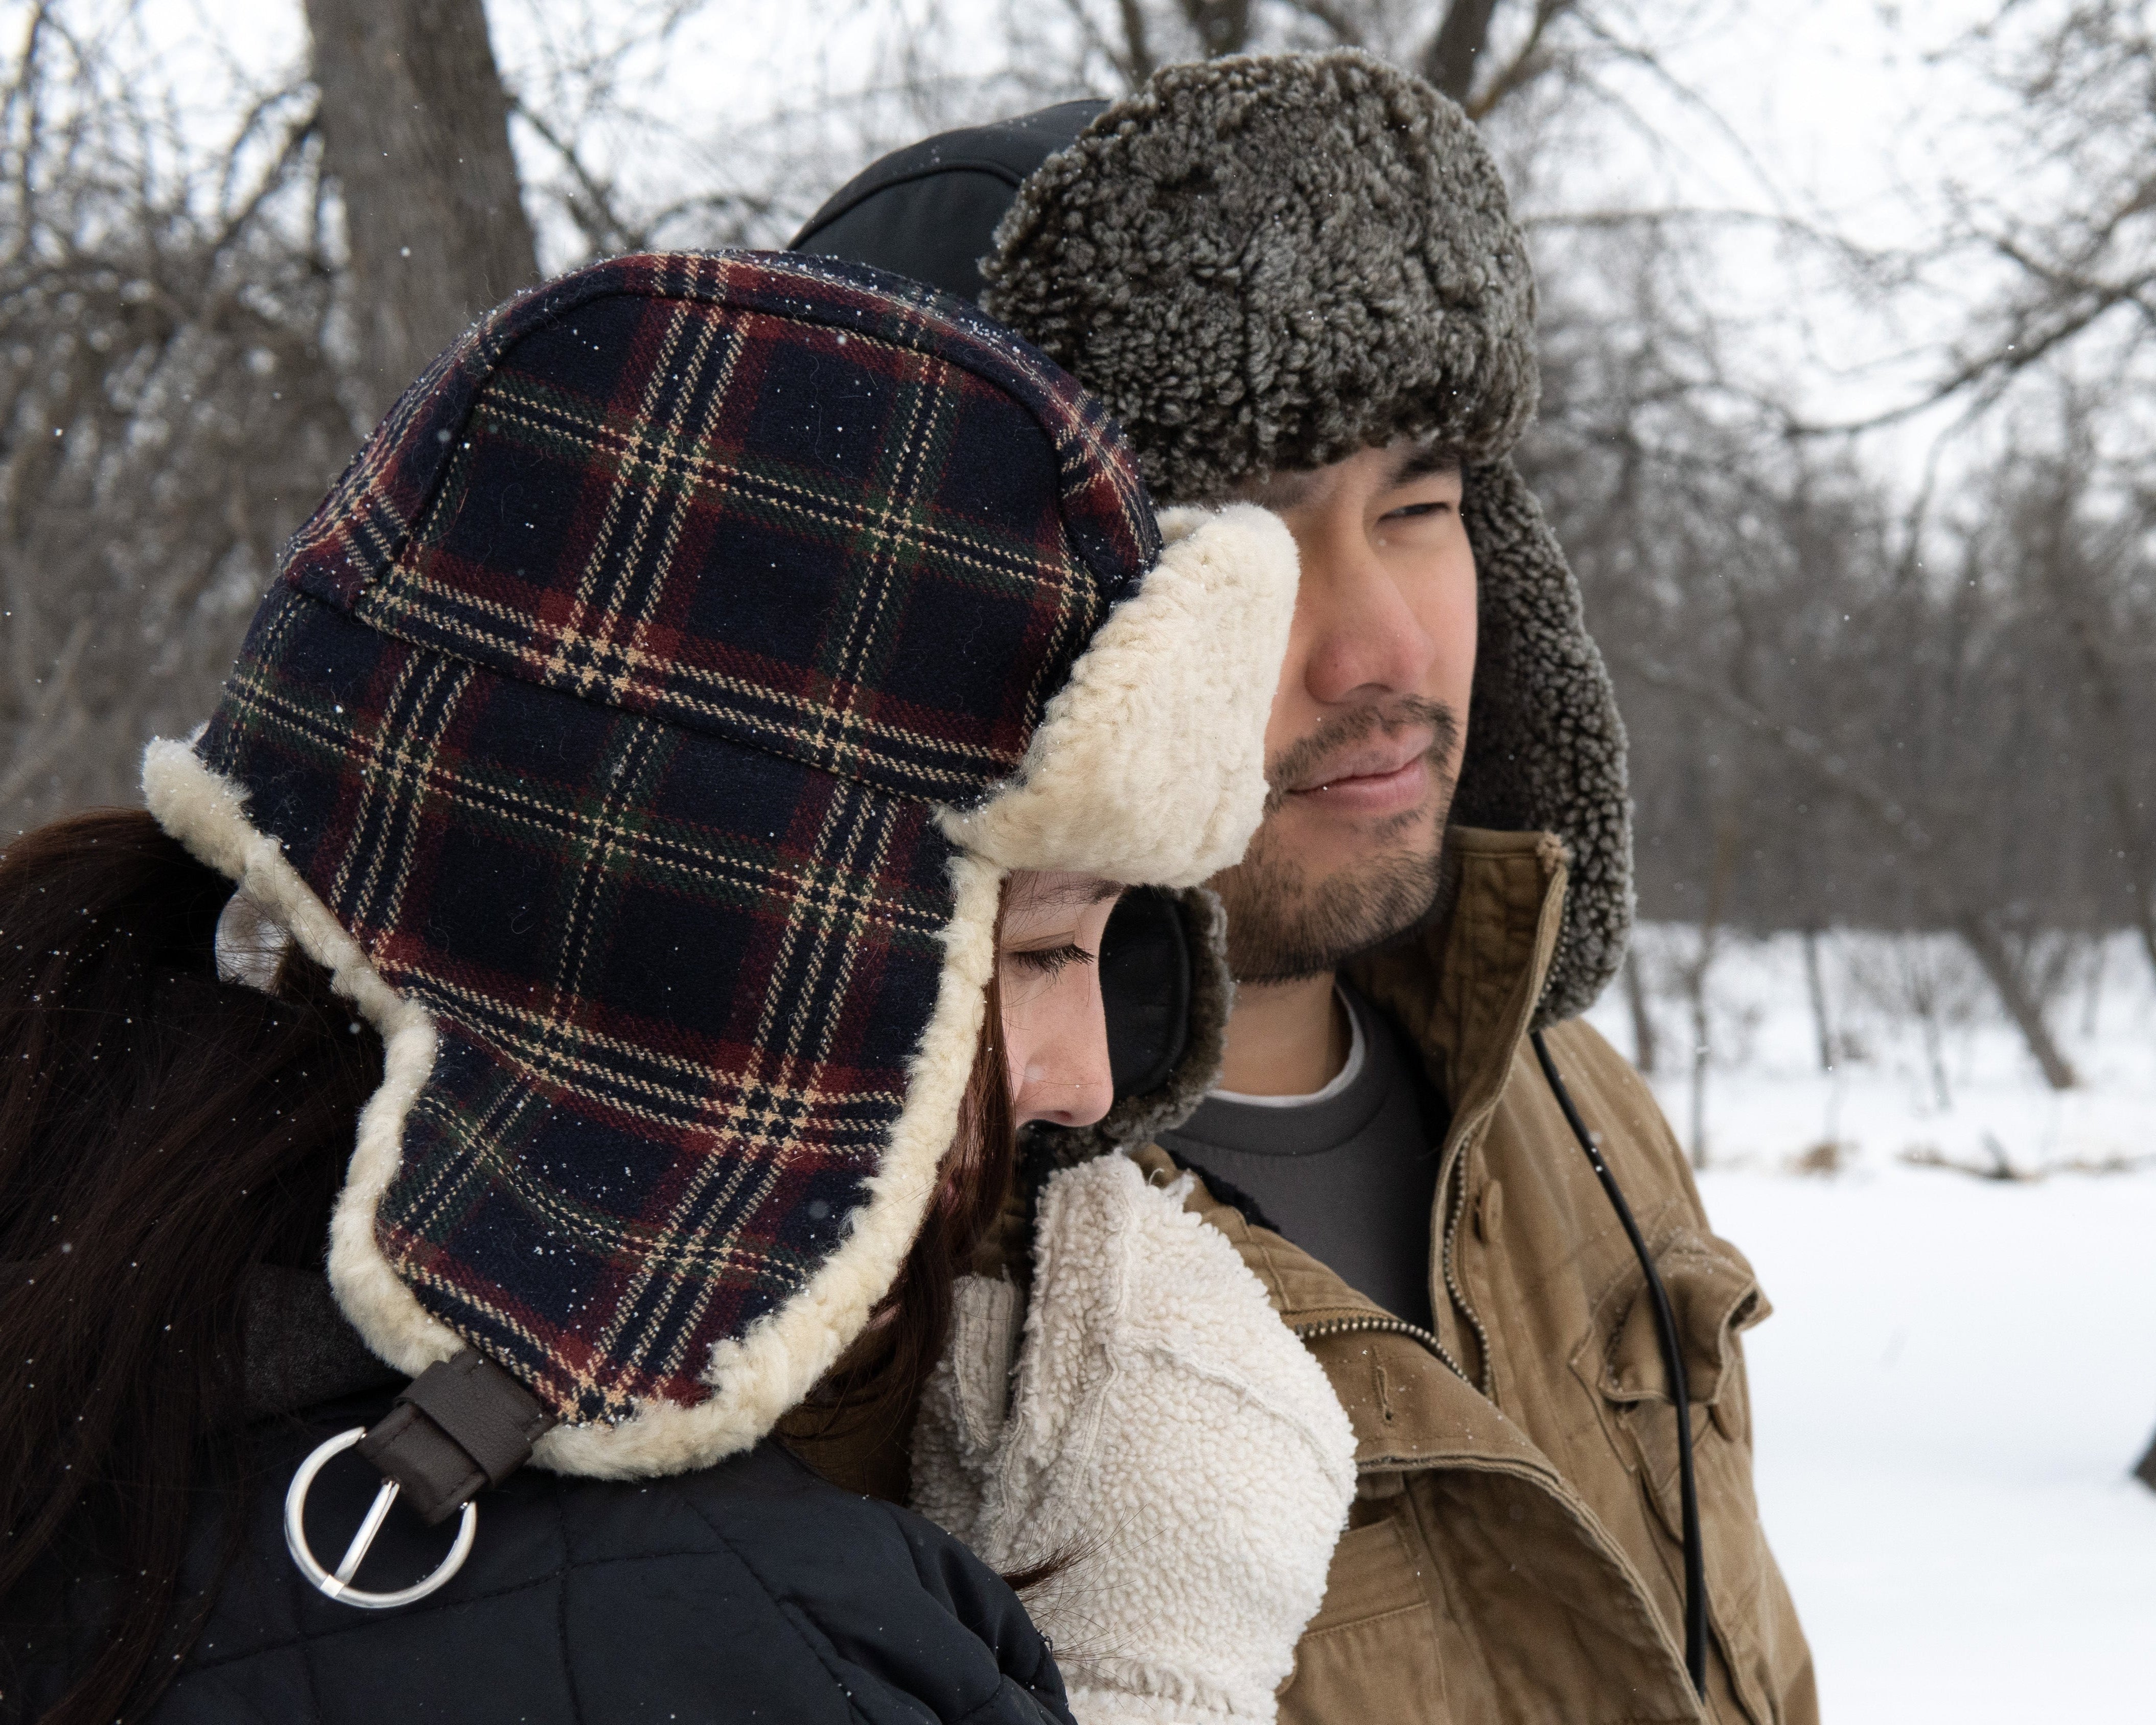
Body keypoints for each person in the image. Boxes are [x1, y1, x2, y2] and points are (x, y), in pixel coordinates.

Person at [0, 249, 1324, 1723]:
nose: (1082, 1080)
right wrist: (1156, 1670)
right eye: (1028, 952)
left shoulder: (96, 1263)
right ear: (700, 949)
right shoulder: (779, 1655)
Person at [794, 50, 1819, 1725]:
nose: (1386, 648)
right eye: (1243, 545)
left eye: (1417, 506)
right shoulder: (862, 1276)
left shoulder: (1565, 1106)